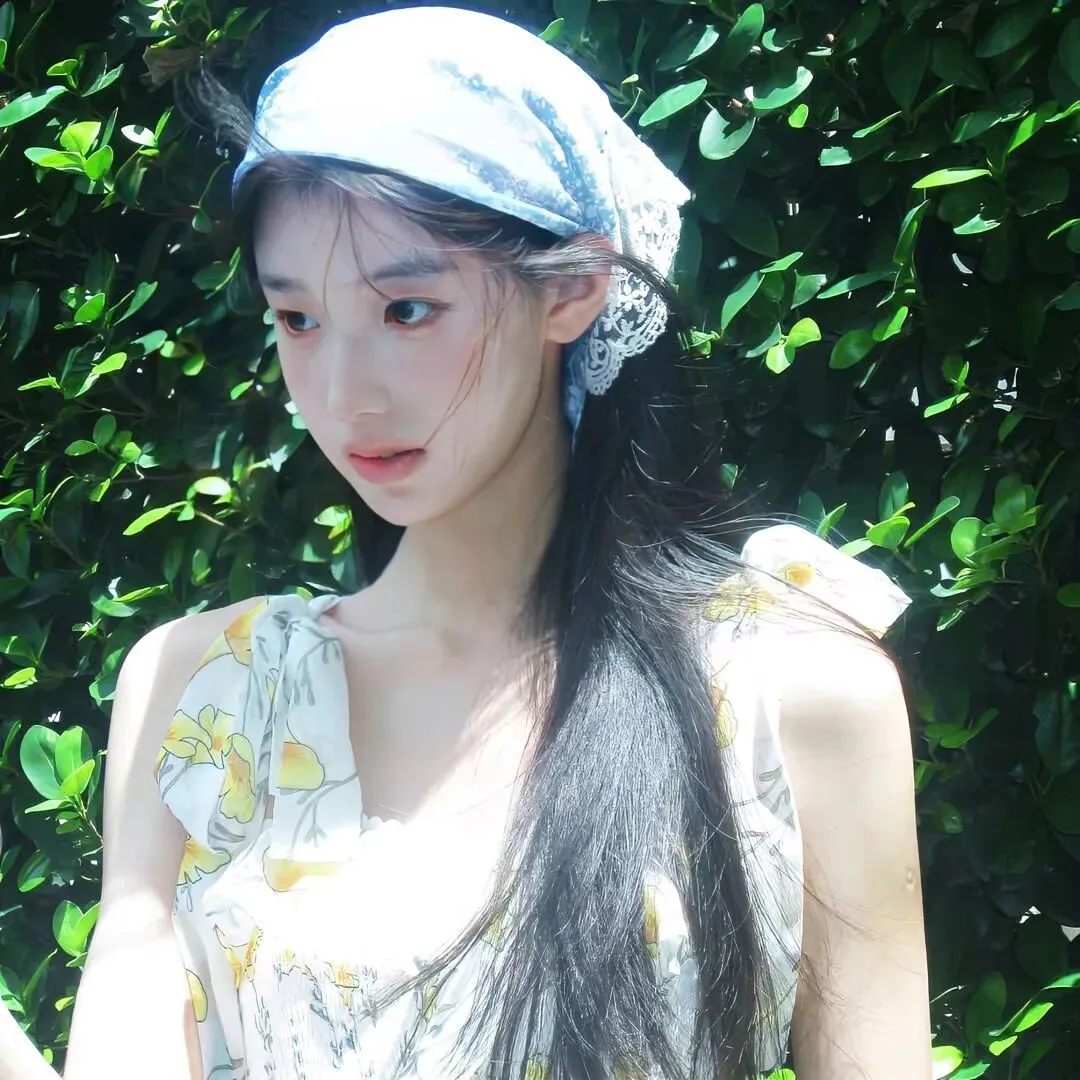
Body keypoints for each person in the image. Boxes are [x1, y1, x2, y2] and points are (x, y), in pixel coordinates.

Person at [1, 7, 930, 1079]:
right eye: (297, 318)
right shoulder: (203, 695)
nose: (343, 395)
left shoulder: (787, 689)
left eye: (406, 310)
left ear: (573, 288)